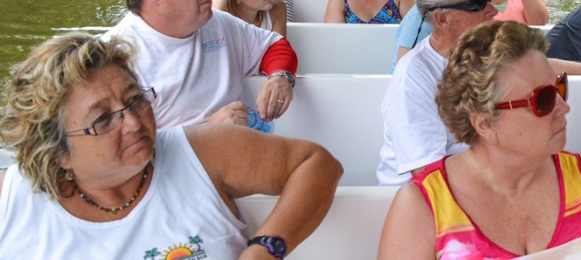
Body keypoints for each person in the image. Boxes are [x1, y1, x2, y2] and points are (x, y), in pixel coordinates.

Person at [0, 32, 343, 258]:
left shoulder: (201, 151)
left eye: (134, 99)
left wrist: (265, 249)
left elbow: (317, 164)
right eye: (103, 120)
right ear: (58, 153)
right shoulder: (11, 204)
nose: (133, 122)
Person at [378, 21, 581, 260]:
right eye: (543, 99)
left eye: (560, 88)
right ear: (485, 122)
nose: (564, 107)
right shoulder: (423, 206)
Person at [102, 0, 298, 129]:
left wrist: (281, 77)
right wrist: (204, 131)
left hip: (237, 149)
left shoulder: (219, 24)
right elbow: (114, 148)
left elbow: (275, 45)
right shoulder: (112, 59)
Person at [377, 0, 497, 185]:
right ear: (442, 19)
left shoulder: (482, 54)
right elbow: (429, 176)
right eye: (478, 4)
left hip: (482, 183)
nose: (492, 10)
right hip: (423, 204)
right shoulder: (412, 78)